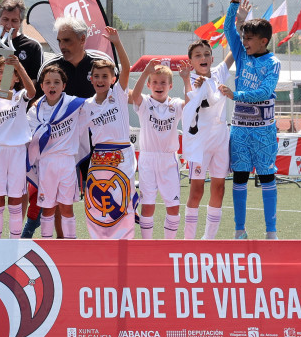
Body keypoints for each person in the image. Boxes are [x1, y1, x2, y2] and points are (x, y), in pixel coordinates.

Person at [219, 0, 281, 240]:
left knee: (267, 178)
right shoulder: (242, 55)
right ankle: (239, 230)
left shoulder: (273, 63)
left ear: (263, 41)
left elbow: (266, 91)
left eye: (249, 39)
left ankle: (271, 232)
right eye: (244, 38)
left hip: (264, 131)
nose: (243, 42)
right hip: (240, 130)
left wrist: (237, 95)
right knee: (240, 178)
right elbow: (227, 31)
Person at [79, 27, 136, 239]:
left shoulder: (119, 96)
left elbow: (127, 68)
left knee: (122, 198)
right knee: (96, 197)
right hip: (99, 156)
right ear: (91, 79)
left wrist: (117, 42)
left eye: (105, 76)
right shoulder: (87, 105)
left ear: (113, 79)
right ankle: (98, 239)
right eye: (97, 76)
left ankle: (124, 240)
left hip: (122, 155)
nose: (101, 80)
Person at [181, 39, 236, 240]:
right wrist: (188, 82)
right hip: (200, 145)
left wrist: (238, 24)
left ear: (212, 58)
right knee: (196, 191)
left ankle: (208, 240)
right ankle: (189, 241)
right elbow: (188, 106)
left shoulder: (219, 73)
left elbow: (234, 52)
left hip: (221, 142)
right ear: (191, 61)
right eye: (198, 55)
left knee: (219, 189)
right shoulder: (193, 79)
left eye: (206, 54)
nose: (203, 58)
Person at [131, 58, 190, 239]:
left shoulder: (175, 104)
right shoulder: (145, 103)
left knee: (172, 207)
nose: (159, 85)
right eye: (155, 82)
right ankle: (147, 245)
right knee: (147, 205)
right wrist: (145, 72)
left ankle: (168, 245)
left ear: (170, 86)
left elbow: (190, 103)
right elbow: (134, 95)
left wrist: (186, 80)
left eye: (163, 82)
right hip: (148, 160)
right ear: (149, 84)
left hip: (169, 160)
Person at [27, 65, 86, 239]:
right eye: (48, 82)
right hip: (46, 163)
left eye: (56, 82)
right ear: (42, 86)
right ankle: (47, 244)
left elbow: (96, 108)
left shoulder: (75, 104)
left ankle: (70, 244)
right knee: (48, 207)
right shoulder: (34, 110)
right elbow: (28, 136)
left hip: (67, 162)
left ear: (64, 86)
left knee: (66, 207)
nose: (52, 86)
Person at [0, 55, 36, 238]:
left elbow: (32, 91)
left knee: (15, 199)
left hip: (18, 150)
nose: (3, 75)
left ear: (16, 77)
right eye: (0, 72)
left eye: (9, 72)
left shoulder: (19, 96)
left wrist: (18, 65)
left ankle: (14, 242)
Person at [39, 16, 98, 98]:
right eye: (59, 41)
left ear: (82, 39)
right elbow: (35, 102)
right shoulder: (49, 67)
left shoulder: (101, 64)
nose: (62, 46)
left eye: (66, 40)